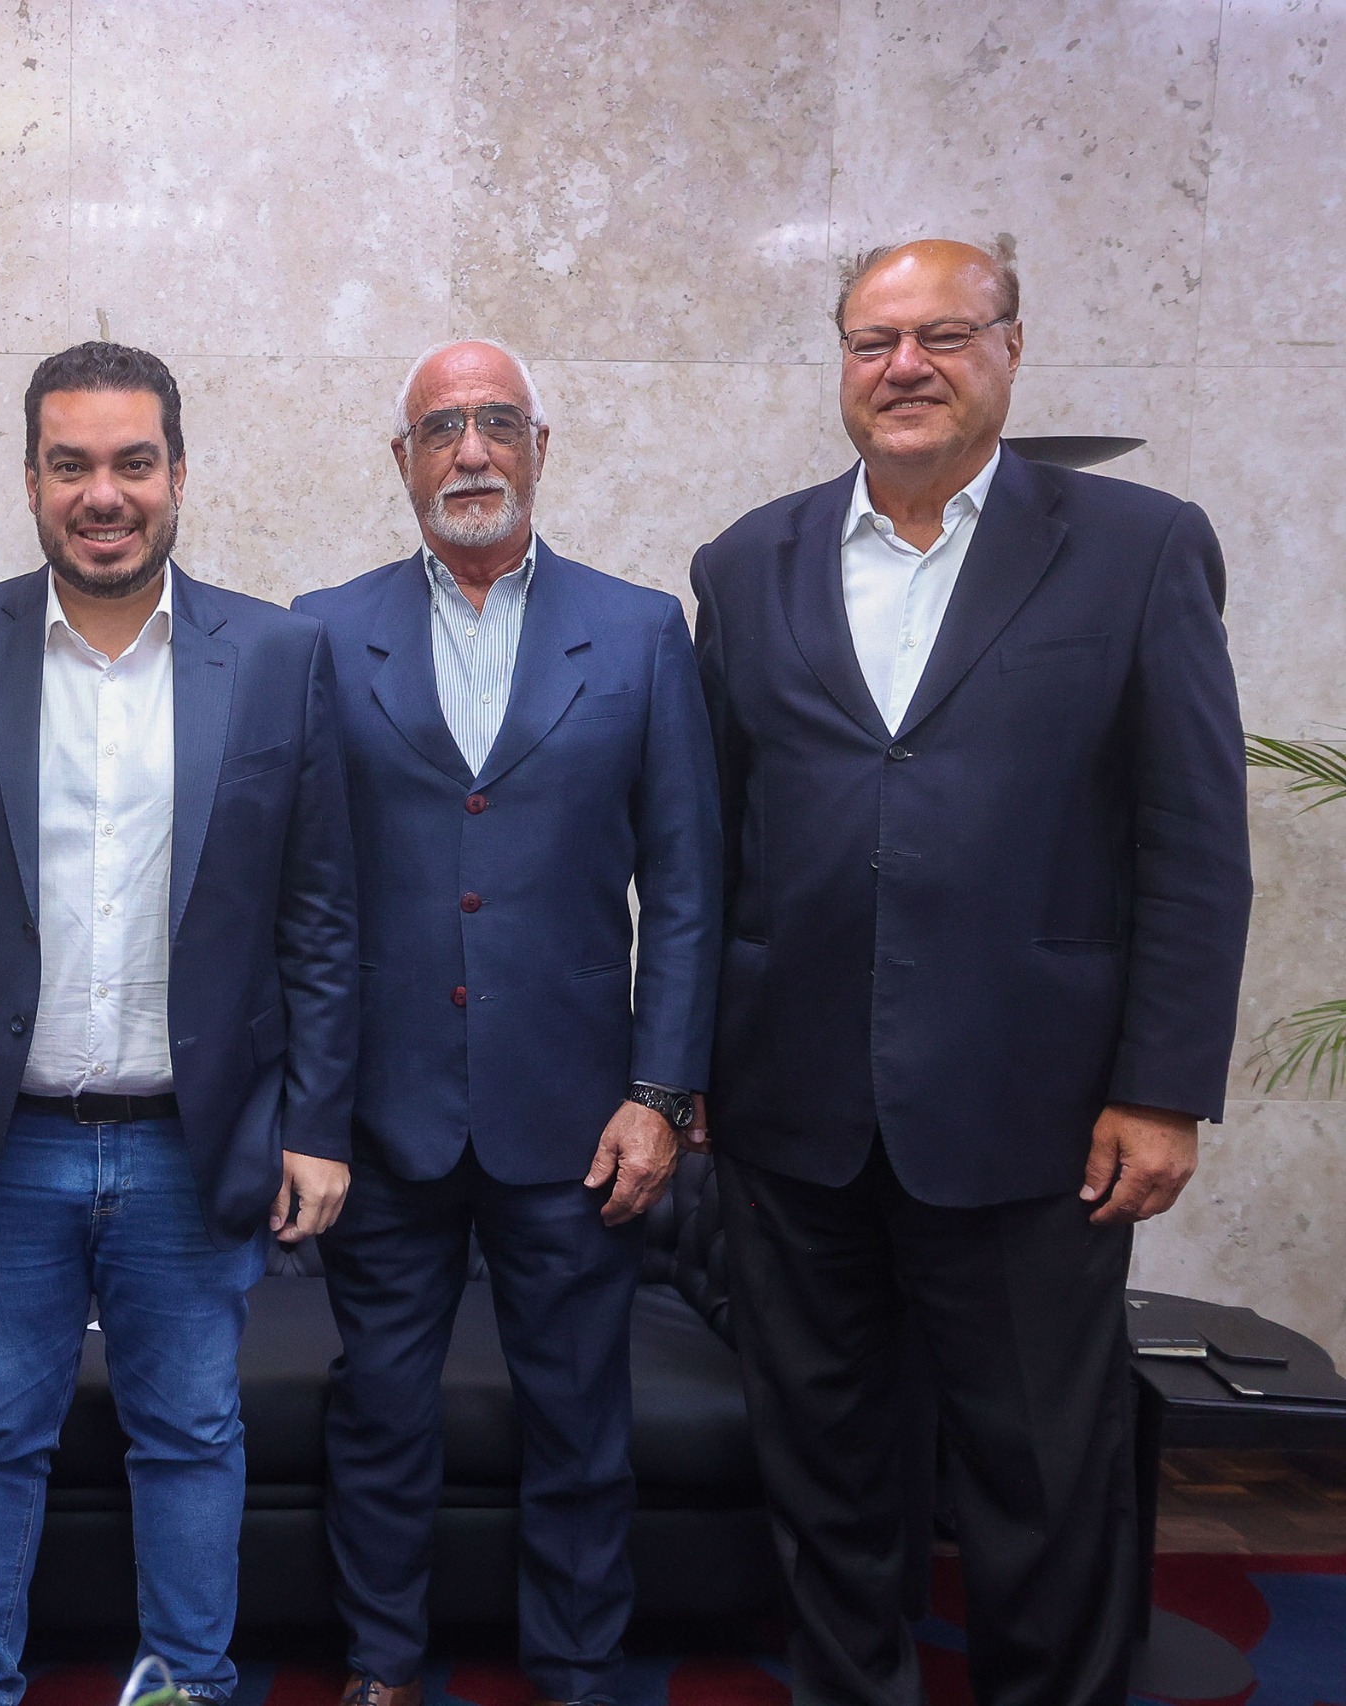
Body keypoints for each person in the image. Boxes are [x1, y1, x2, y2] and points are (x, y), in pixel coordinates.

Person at [690, 238, 1252, 1706]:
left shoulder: (1138, 547)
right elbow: (717, 846)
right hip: (791, 1113)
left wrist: (1164, 1087)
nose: (906, 367)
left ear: (1011, 347)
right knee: (826, 1477)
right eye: (874, 340)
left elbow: (1194, 835)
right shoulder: (744, 564)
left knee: (1041, 1484)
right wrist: (689, 1069)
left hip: (1035, 1112)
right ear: (841, 362)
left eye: (944, 334)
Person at [0, 341, 359, 1706]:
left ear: (179, 474)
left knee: (192, 1437)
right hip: (1, 1143)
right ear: (29, 480)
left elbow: (319, 913)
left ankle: (185, 1689)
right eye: (70, 464)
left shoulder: (277, 655)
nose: (104, 493)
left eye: (134, 462)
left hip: (194, 1143)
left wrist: (317, 1122)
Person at [294, 339, 720, 1706]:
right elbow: (302, 887)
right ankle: (380, 1662)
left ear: (541, 446)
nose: (469, 449)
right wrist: (307, 1107)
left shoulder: (641, 631)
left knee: (582, 1418)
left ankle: (578, 1669)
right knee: (379, 1412)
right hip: (385, 1113)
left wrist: (661, 1092)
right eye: (441, 427)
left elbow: (690, 885)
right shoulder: (322, 631)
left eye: (495, 421)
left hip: (579, 1117)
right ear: (401, 460)